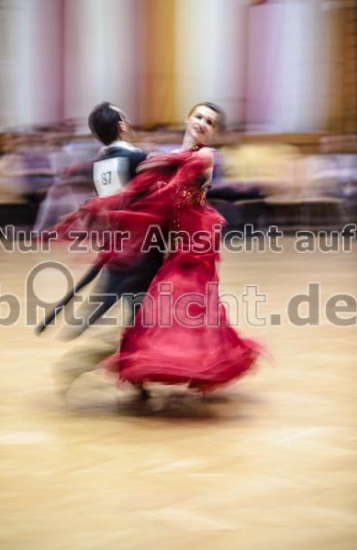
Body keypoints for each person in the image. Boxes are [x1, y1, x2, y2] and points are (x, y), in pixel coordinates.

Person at [53, 102, 260, 397]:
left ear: (214, 132)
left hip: (192, 247)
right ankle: (135, 371)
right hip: (159, 248)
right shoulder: (166, 156)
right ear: (188, 119)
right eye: (199, 116)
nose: (202, 123)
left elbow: (166, 187)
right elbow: (143, 192)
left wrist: (145, 167)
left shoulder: (202, 155)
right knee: (157, 314)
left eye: (210, 122)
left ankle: (150, 369)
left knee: (175, 311)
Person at [48, 102, 164, 396]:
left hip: (116, 251)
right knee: (142, 317)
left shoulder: (99, 164)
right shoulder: (138, 157)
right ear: (122, 125)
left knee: (135, 315)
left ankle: (136, 379)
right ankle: (80, 362)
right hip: (142, 251)